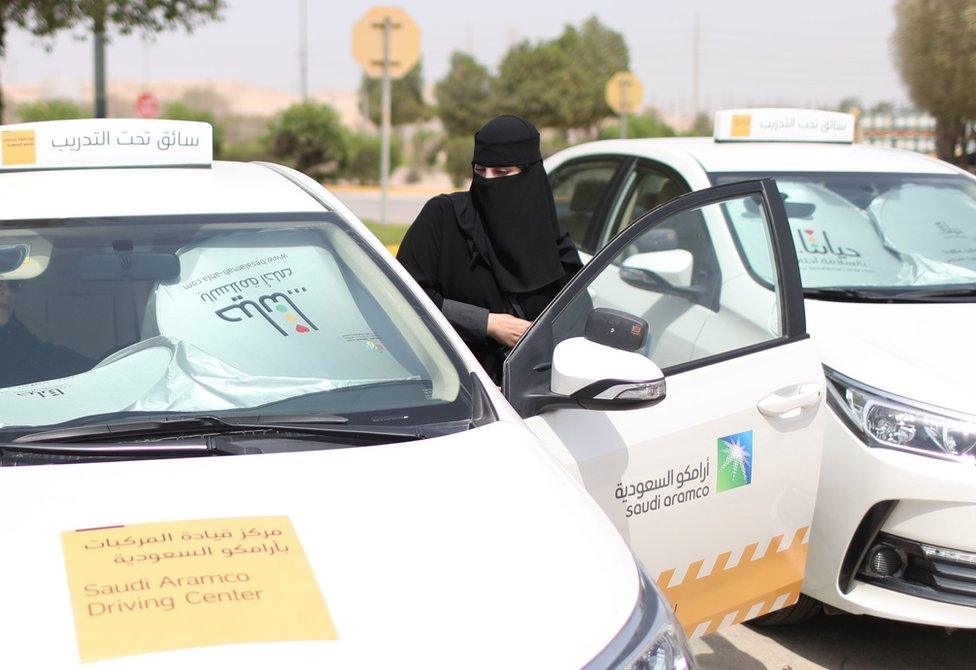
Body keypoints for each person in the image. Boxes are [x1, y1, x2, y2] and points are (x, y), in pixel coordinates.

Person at [397, 115, 583, 383]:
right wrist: (487, 323)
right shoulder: (444, 219)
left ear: (529, 175)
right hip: (452, 389)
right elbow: (403, 297)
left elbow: (575, 320)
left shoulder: (552, 245)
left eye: (503, 173)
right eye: (481, 171)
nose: (488, 181)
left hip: (534, 398)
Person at [0, 279, 92, 387]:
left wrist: (101, 367)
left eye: (13, 284)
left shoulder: (22, 343)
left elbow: (46, 358)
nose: (6, 291)